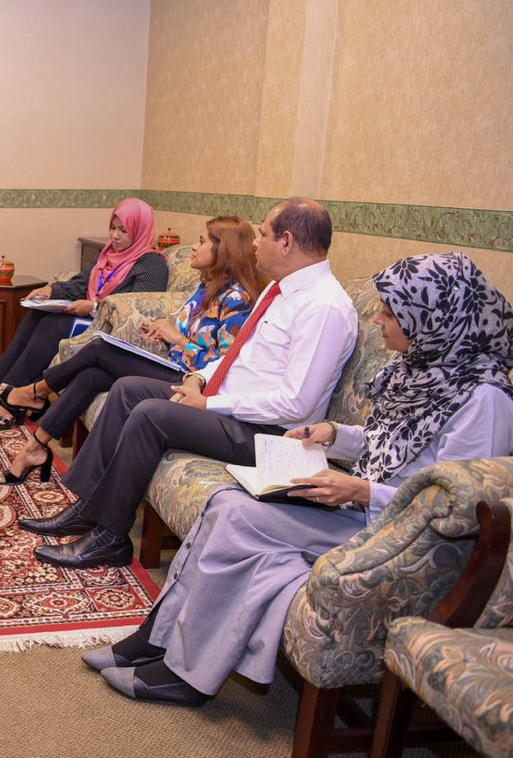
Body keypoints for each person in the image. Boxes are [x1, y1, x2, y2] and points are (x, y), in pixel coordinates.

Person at [83, 251, 513, 706]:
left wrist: (361, 489)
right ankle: (158, 638)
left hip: (397, 537)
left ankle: (182, 673)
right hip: (361, 507)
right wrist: (333, 435)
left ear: (434, 319)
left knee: (233, 517)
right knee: (226, 504)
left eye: (393, 312)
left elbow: (457, 506)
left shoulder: (484, 400)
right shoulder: (422, 370)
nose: (380, 319)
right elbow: (392, 443)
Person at [19, 198, 359, 569]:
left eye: (262, 234)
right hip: (230, 406)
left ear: (287, 241)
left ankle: (111, 538)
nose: (256, 243)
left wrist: (209, 404)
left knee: (151, 415)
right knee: (128, 388)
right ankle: (88, 507)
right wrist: (199, 379)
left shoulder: (323, 306)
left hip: (268, 434)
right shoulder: (279, 291)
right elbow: (238, 357)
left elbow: (296, 405)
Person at [0, 215, 266, 485]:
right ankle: (35, 448)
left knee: (100, 349)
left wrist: (179, 341)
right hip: (173, 365)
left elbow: (225, 365)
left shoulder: (237, 299)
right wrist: (163, 331)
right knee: (90, 376)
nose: (194, 248)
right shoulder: (206, 285)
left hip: (191, 383)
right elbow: (189, 334)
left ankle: (34, 391)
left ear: (223, 249)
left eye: (201, 241)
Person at [0, 197, 169, 430]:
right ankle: (4, 387)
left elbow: (138, 309)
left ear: (140, 231)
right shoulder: (107, 254)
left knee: (53, 325)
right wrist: (49, 291)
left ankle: (14, 401)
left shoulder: (151, 264)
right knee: (38, 315)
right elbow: (80, 284)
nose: (115, 236)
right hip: (88, 317)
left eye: (123, 230)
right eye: (112, 227)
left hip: (108, 331)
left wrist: (95, 307)